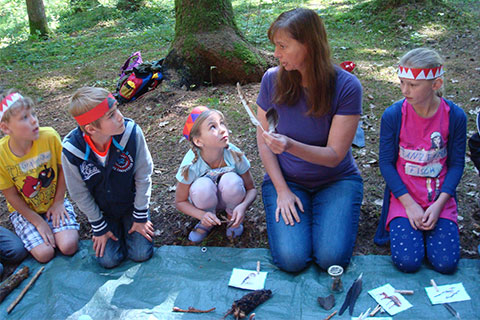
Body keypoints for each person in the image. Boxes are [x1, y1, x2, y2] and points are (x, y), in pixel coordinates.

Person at [256, 8, 363, 273]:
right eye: (275, 46)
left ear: (309, 45)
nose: (276, 54)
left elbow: (335, 154)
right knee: (292, 260)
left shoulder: (347, 86)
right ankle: (307, 212)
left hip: (336, 180)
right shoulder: (272, 80)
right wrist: (281, 190)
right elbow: (264, 141)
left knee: (331, 260)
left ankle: (326, 212)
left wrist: (290, 145)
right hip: (287, 180)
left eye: (283, 46)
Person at [375, 48, 466, 274]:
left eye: (413, 85)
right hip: (405, 199)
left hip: (439, 200)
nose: (405, 90)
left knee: (446, 263)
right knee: (408, 261)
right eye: (402, 82)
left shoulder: (454, 116)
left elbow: (456, 165)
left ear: (435, 84)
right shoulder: (394, 115)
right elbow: (386, 163)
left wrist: (438, 206)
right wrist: (409, 204)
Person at [62, 87, 154, 268]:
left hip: (132, 206)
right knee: (109, 261)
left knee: (141, 254)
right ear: (91, 128)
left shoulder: (132, 133)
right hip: (103, 213)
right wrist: (99, 227)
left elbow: (144, 175)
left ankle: (130, 227)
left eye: (117, 109)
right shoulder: (72, 151)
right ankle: (115, 229)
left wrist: (140, 215)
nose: (120, 117)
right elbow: (79, 193)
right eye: (111, 115)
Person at [0, 90, 79, 264]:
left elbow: (63, 168)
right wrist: (37, 222)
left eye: (33, 114)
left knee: (68, 246)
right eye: (24, 118)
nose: (34, 120)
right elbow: (11, 195)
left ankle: (54, 223)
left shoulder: (49, 136)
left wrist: (58, 202)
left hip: (53, 200)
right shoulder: (1, 154)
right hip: (25, 211)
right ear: (6, 128)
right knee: (44, 254)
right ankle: (41, 226)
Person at [175, 106, 257, 243]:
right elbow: (180, 201)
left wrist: (243, 206)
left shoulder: (235, 155)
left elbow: (251, 189)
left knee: (232, 181)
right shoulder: (190, 165)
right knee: (202, 186)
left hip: (230, 199)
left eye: (222, 123)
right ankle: (208, 221)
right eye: (213, 127)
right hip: (204, 202)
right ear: (198, 141)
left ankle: (232, 217)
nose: (222, 129)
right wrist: (202, 215)